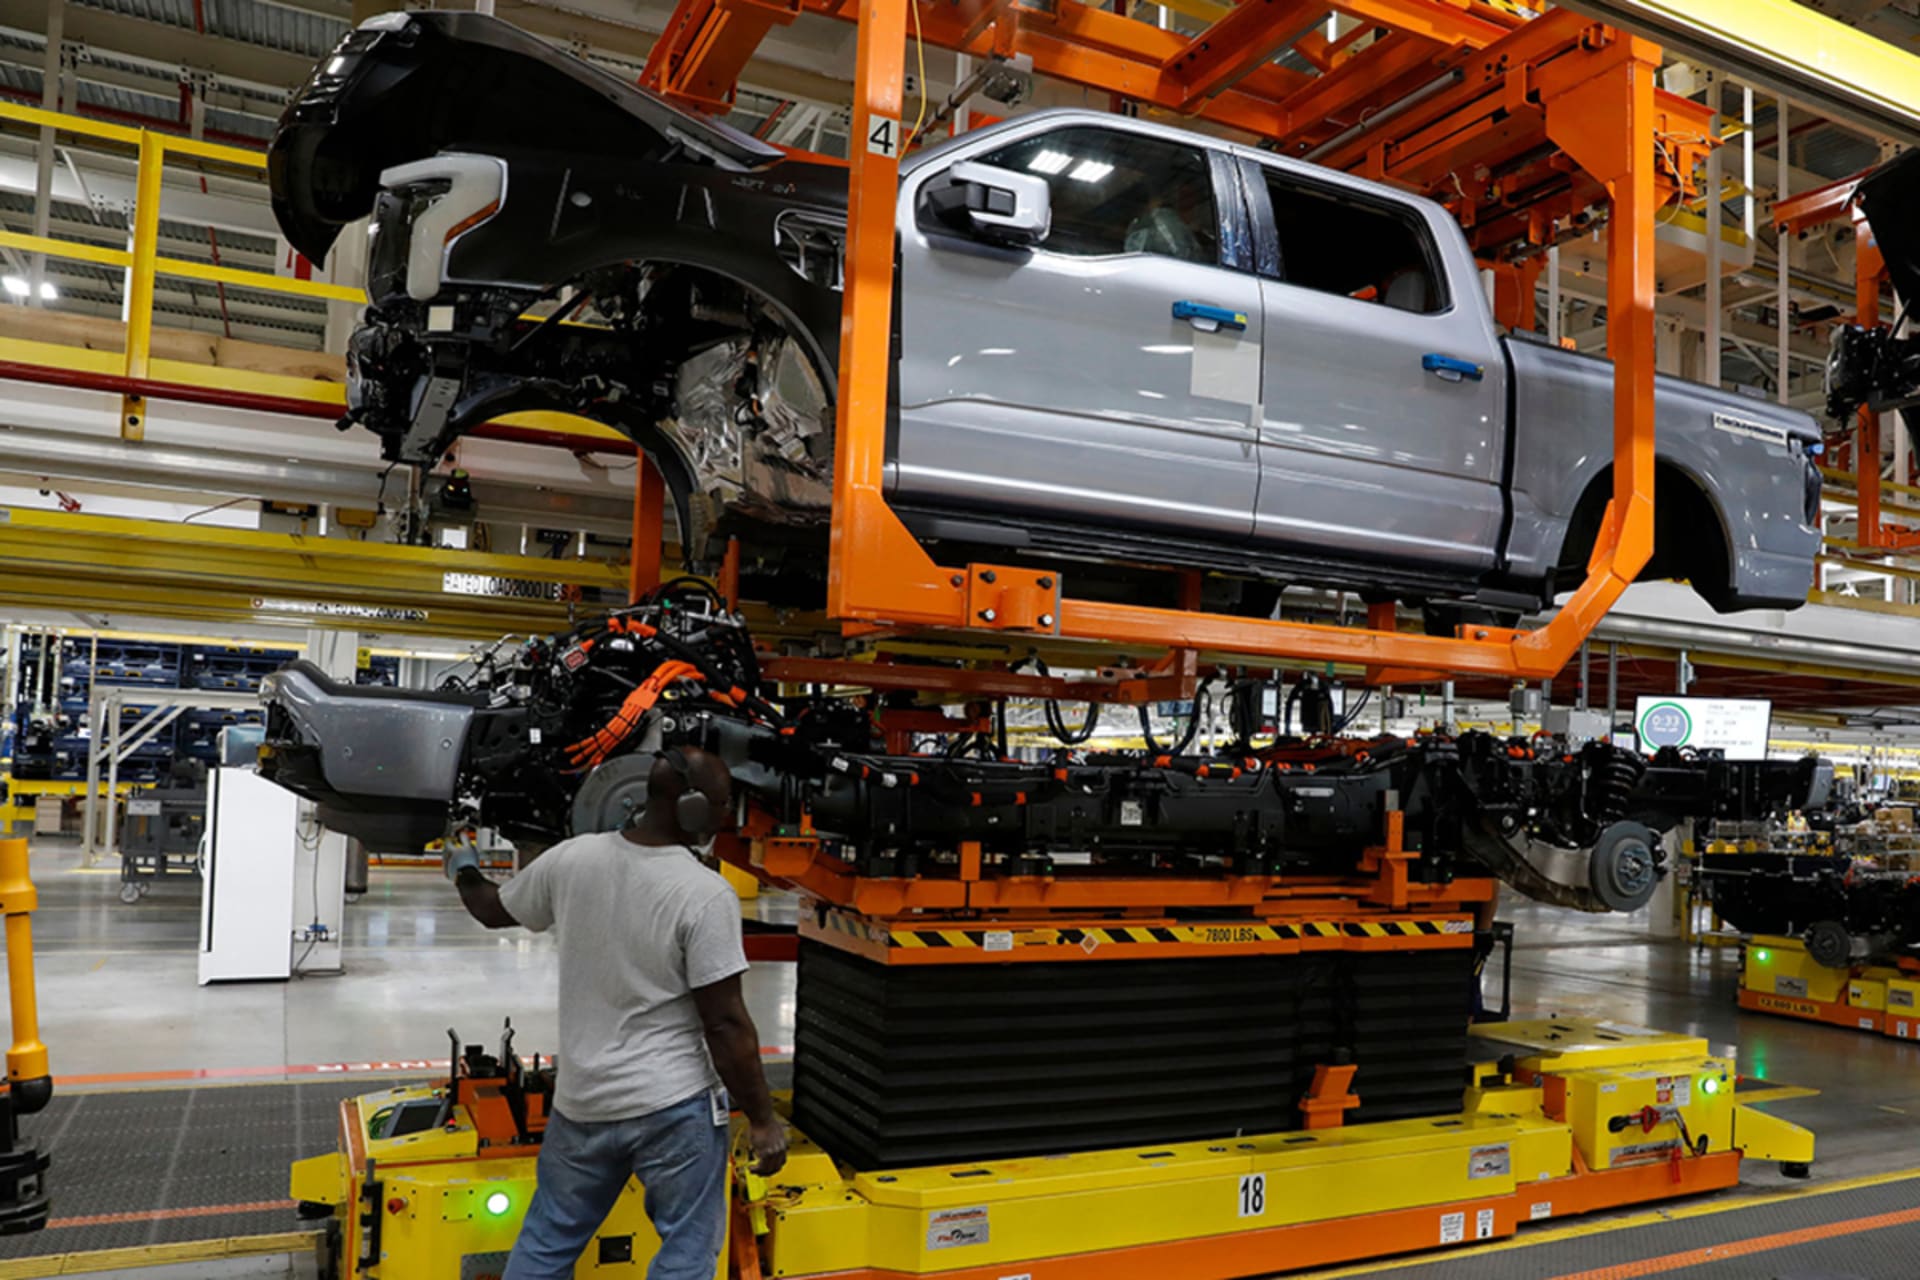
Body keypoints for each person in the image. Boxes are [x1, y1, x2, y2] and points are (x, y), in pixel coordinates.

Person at [447, 745, 788, 1280]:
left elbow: (492, 910)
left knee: (547, 1241)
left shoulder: (573, 858)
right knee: (685, 1254)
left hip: (582, 1104)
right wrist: (764, 1121)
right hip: (671, 1108)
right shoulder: (704, 894)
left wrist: (464, 866)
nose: (726, 817)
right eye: (722, 805)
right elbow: (724, 1024)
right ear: (694, 809)